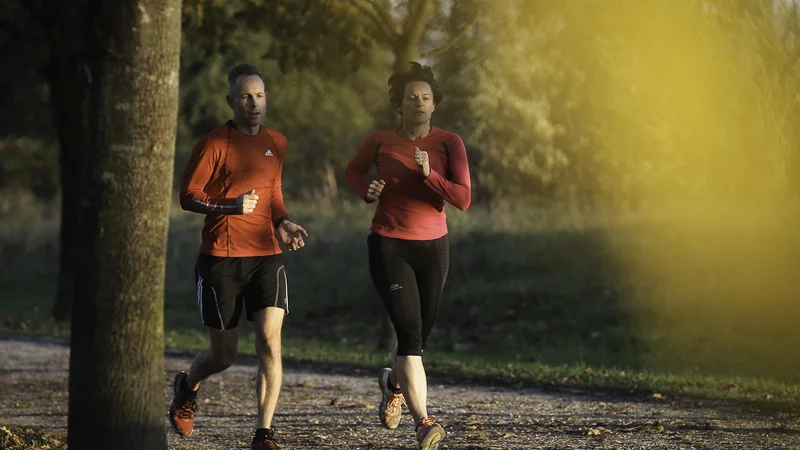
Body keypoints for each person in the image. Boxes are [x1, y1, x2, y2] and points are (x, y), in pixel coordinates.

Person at [168, 62, 308, 450]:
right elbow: (188, 196)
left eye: (260, 95)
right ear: (230, 100)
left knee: (269, 341)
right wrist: (230, 206)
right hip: (221, 259)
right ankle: (186, 385)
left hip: (266, 254)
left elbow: (273, 189)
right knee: (224, 355)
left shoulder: (276, 141)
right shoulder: (213, 143)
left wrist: (283, 222)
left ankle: (263, 433)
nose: (254, 103)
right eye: (245, 96)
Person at [345, 61, 471, 450]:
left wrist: (430, 174)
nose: (419, 102)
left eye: (426, 97)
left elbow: (463, 199)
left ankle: (392, 384)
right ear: (399, 105)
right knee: (411, 336)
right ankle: (425, 423)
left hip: (434, 247)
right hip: (389, 244)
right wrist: (366, 190)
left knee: (417, 336)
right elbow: (353, 171)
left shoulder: (450, 143)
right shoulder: (381, 140)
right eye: (411, 97)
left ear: (435, 106)